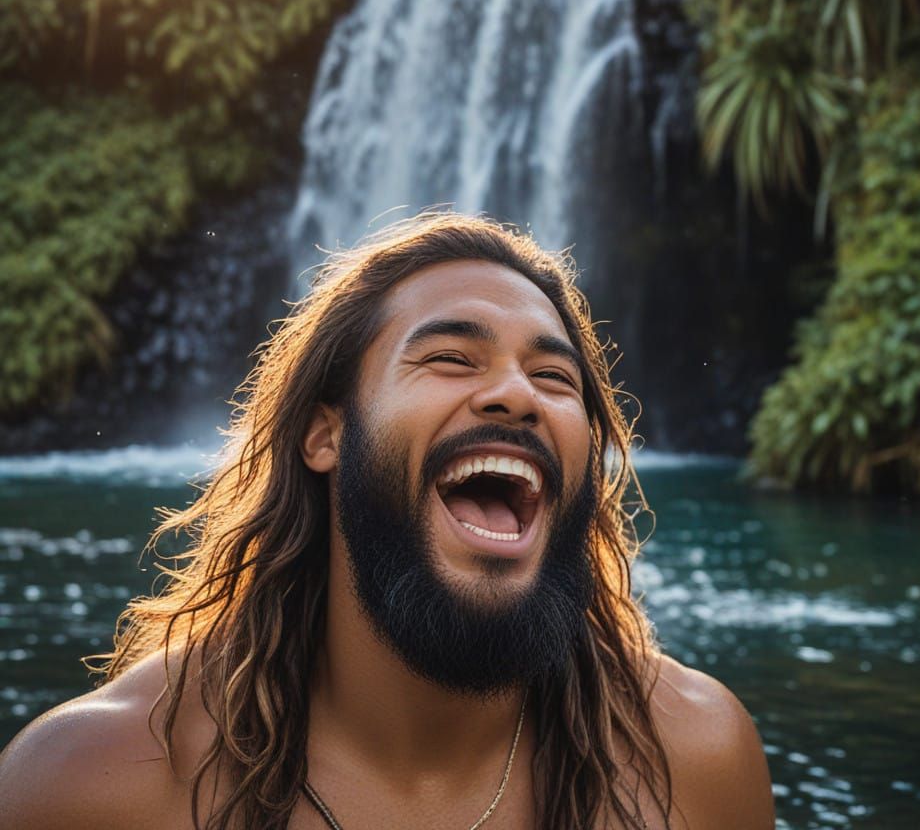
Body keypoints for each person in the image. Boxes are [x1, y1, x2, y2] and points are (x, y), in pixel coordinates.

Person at [0, 213, 774, 829]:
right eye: (450, 358)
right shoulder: (95, 782)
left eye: (553, 376)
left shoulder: (695, 760)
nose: (517, 394)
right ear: (325, 432)